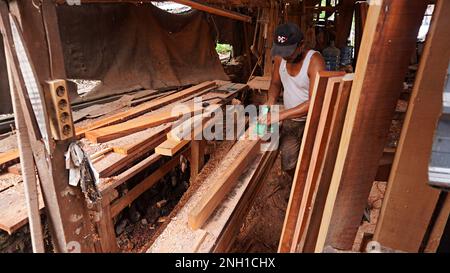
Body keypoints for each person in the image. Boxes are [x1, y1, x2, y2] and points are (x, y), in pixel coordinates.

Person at [262, 23, 326, 177]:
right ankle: (295, 186)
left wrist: (280, 115)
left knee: (312, 160)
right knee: (288, 162)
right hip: (292, 119)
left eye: (289, 52)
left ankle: (306, 192)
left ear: (301, 45)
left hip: (314, 120)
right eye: (282, 52)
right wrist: (270, 101)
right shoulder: (280, 58)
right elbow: (275, 83)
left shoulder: (314, 61)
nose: (285, 56)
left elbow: (315, 102)